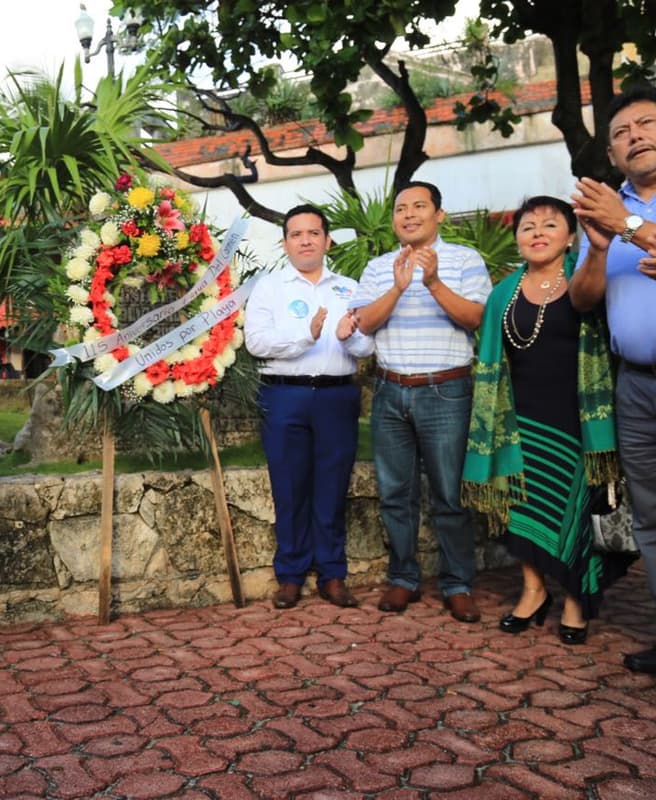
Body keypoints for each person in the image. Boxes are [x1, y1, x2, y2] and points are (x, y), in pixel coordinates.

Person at [463, 197, 631, 644]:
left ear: (570, 235)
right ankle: (534, 591)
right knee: (524, 509)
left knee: (577, 508)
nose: (537, 232)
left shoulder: (587, 277)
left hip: (580, 416)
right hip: (518, 418)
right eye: (527, 226)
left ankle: (577, 598)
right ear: (517, 238)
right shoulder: (503, 292)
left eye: (550, 225)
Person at [570, 85, 656, 674]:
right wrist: (596, 248)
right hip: (637, 386)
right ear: (613, 154)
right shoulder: (605, 210)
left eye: (647, 123)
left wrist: (628, 223)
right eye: (621, 133)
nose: (635, 136)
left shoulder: (627, 210)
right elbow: (583, 298)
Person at [351, 180, 492, 622]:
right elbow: (363, 324)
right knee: (396, 493)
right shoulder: (377, 267)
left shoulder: (465, 260)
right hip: (390, 390)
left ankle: (457, 584)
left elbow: (478, 318)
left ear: (439, 215)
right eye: (400, 208)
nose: (408, 215)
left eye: (419, 207)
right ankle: (403, 579)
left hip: (446, 390)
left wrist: (431, 282)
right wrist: (396, 287)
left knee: (449, 494)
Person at [245, 204, 374, 610]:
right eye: (296, 234)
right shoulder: (268, 287)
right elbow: (256, 343)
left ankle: (332, 574)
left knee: (332, 486)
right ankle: (290, 575)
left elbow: (367, 345)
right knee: (289, 486)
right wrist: (308, 333)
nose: (305, 240)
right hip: (284, 396)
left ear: (327, 240)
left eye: (313, 233)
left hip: (337, 395)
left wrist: (346, 336)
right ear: (285, 243)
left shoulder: (351, 289)